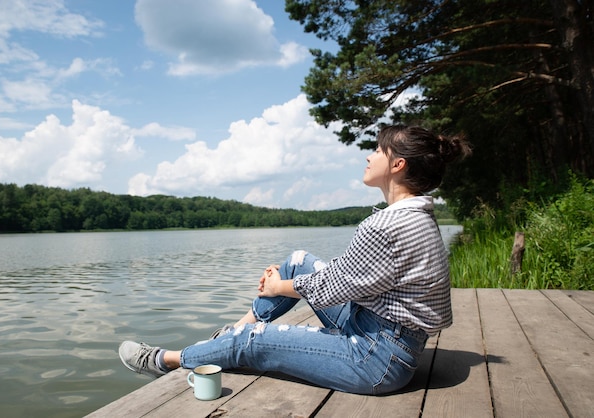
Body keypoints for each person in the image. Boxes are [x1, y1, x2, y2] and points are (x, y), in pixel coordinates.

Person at [119, 124, 471, 395]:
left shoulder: (388, 223)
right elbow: (350, 275)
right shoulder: (415, 215)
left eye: (377, 150)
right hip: (382, 334)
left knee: (255, 341)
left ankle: (166, 360)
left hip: (376, 359)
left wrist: (278, 286)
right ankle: (231, 333)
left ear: (397, 164)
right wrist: (285, 282)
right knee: (298, 260)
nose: (368, 156)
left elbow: (336, 285)